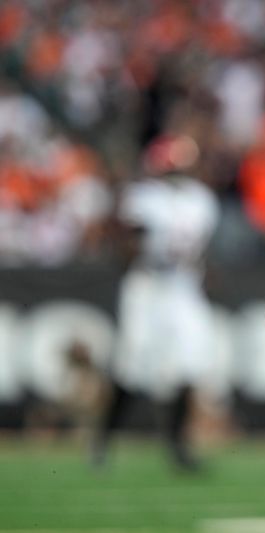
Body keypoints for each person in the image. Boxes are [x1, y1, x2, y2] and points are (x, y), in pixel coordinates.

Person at [92, 135, 221, 472]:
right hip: (147, 286)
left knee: (190, 363)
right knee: (132, 367)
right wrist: (134, 237)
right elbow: (126, 249)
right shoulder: (145, 197)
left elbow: (200, 250)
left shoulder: (201, 199)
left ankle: (178, 446)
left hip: (183, 288)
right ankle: (103, 439)